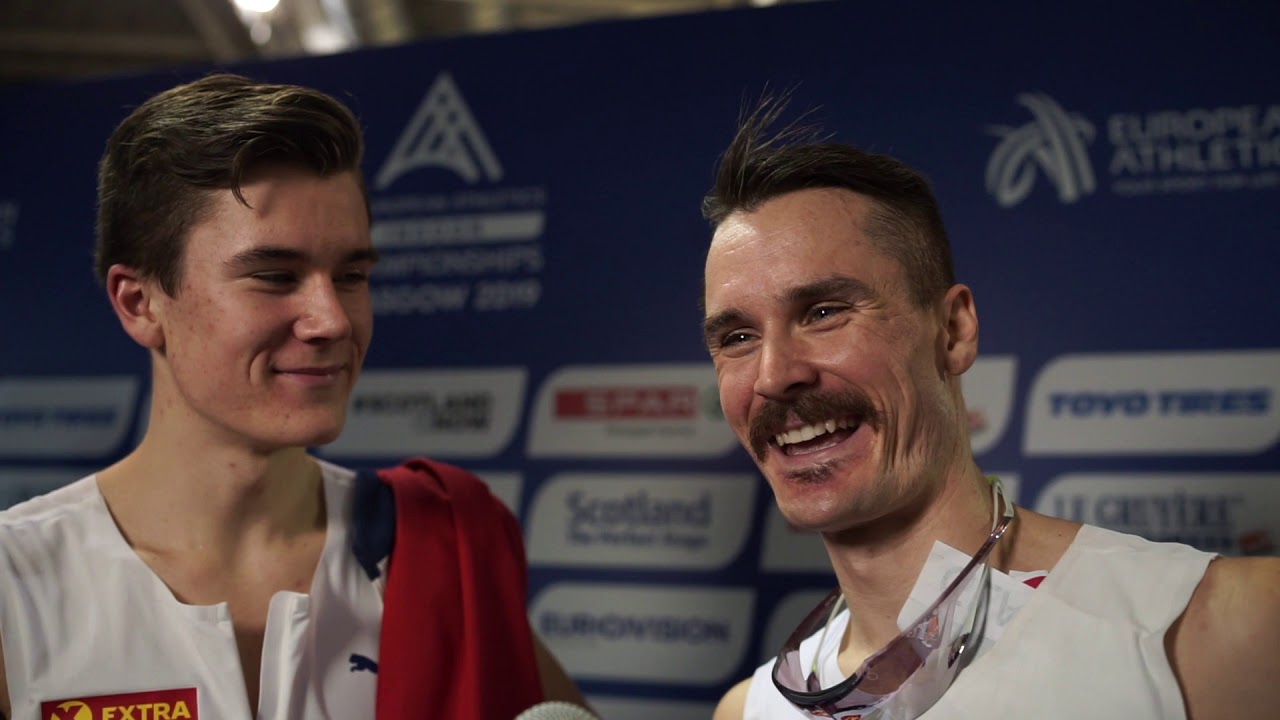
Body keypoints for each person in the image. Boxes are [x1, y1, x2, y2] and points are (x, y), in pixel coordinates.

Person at [0, 73, 589, 720]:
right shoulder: (15, 584)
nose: (332, 319)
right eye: (275, 276)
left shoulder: (441, 549)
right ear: (139, 303)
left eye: (352, 275)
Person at [701, 94, 1280, 720]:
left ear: (952, 330)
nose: (774, 375)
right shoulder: (748, 710)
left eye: (823, 312)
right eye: (737, 337)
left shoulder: (1230, 628)